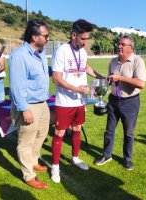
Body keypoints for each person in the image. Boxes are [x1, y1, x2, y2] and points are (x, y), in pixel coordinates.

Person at [51, 19, 103, 183]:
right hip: (65, 102)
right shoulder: (61, 51)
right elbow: (56, 79)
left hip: (80, 101)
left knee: (77, 129)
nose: (85, 42)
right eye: (83, 39)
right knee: (59, 133)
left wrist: (102, 78)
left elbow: (85, 67)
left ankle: (75, 158)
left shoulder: (82, 51)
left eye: (87, 39)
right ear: (73, 35)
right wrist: (76, 89)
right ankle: (55, 168)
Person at [94, 35, 146, 170]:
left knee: (129, 132)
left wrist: (120, 78)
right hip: (113, 100)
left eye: (123, 44)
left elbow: (141, 84)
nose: (119, 46)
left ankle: (127, 159)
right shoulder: (113, 62)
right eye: (118, 44)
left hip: (130, 102)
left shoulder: (137, 61)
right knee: (109, 130)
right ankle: (106, 155)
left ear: (131, 47)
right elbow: (108, 80)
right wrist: (97, 83)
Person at [9, 19, 50, 190]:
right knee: (26, 141)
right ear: (35, 37)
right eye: (45, 36)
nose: (48, 38)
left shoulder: (40, 53)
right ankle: (29, 176)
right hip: (29, 105)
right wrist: (24, 109)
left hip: (42, 103)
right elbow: (17, 86)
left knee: (41, 133)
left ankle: (33, 161)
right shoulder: (19, 56)